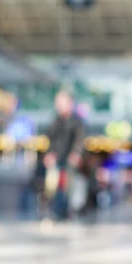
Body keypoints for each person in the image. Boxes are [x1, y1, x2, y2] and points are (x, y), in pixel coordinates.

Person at [43, 90, 85, 220]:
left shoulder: (77, 122)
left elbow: (79, 140)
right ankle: (54, 211)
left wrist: (76, 154)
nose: (59, 105)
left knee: (67, 186)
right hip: (56, 159)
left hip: (69, 161)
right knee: (52, 185)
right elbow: (50, 139)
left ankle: (66, 211)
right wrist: (49, 154)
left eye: (61, 102)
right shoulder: (56, 121)